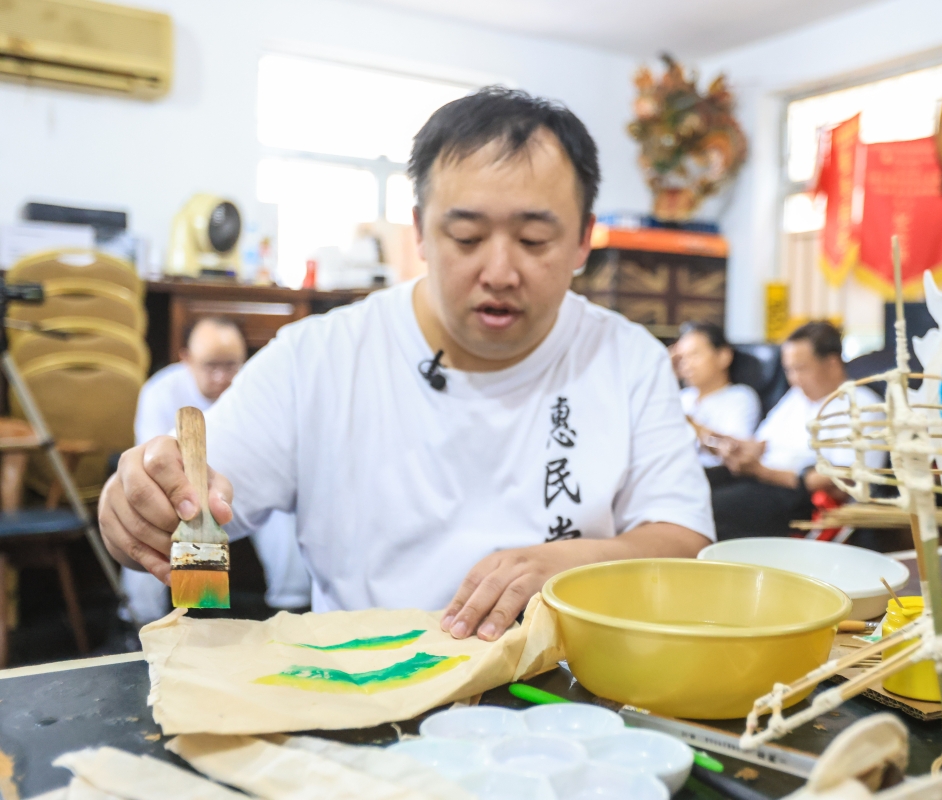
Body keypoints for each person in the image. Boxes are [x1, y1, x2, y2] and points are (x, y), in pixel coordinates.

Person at [99, 87, 714, 642]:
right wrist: (139, 506)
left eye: (533, 241)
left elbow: (685, 542)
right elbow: (196, 504)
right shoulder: (318, 358)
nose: (499, 272)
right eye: (467, 237)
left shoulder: (627, 357)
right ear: (420, 231)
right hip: (363, 691)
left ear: (584, 238)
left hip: (568, 693)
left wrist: (569, 564)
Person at [121, 317, 311, 625]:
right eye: (210, 366)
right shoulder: (160, 392)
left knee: (283, 513)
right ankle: (139, 621)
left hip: (243, 486)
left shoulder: (256, 391)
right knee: (143, 517)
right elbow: (148, 466)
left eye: (231, 365)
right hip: (181, 493)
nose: (222, 377)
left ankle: (292, 612)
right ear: (186, 358)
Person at [709, 321, 883, 540]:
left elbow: (841, 480)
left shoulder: (863, 406)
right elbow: (762, 443)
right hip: (763, 477)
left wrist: (763, 472)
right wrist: (731, 447)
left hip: (801, 497)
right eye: (788, 370)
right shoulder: (797, 397)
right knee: (698, 485)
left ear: (832, 364)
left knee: (712, 508)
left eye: (801, 369)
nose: (793, 378)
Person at [674, 322, 760, 484]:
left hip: (715, 479)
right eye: (682, 358)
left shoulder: (739, 397)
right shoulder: (682, 397)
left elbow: (737, 450)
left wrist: (693, 426)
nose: (686, 365)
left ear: (723, 356)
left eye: (695, 355)